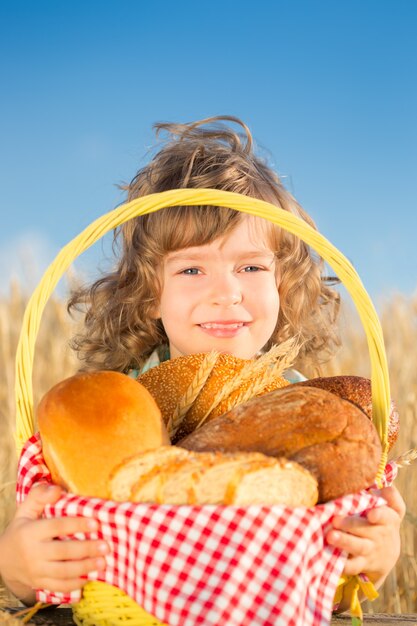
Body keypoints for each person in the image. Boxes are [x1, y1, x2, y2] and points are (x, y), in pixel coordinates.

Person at [0, 116, 405, 609]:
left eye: (251, 267)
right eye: (192, 268)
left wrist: (375, 558)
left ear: (283, 284)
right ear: (150, 293)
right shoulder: (108, 414)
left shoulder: (309, 416)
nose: (226, 293)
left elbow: (333, 588)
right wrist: (19, 566)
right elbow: (48, 546)